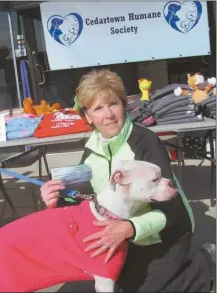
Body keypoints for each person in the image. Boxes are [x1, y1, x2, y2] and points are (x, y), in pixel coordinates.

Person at [40, 69, 216, 293]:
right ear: (87, 116)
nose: (108, 115)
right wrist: (55, 202)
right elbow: (80, 201)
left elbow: (174, 211)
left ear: (123, 105)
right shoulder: (90, 151)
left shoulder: (146, 142)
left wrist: (130, 228)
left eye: (113, 104)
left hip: (167, 234)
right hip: (125, 238)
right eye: (98, 108)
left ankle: (205, 266)